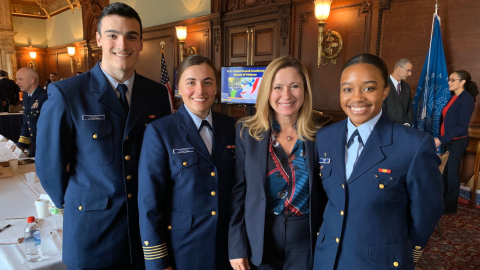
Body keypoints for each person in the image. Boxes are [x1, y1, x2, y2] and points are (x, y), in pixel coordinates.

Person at [36, 3, 171, 270]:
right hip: (92, 231)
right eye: (112, 35)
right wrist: (82, 203)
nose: (123, 44)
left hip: (145, 228)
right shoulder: (68, 93)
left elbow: (162, 158)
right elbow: (49, 166)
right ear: (98, 39)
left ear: (141, 42)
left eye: (132, 36)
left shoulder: (156, 94)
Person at [313, 54, 444, 270]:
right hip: (328, 259)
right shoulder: (325, 137)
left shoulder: (413, 144)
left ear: (385, 91)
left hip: (379, 262)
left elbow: (426, 211)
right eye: (347, 89)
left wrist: (400, 249)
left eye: (368, 88)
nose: (356, 98)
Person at [138, 55, 235, 270]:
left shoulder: (232, 127)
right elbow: (149, 201)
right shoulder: (161, 131)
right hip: (183, 249)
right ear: (178, 88)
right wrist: (157, 261)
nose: (200, 90)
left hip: (227, 248)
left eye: (207, 82)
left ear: (216, 87)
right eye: (191, 82)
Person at [229, 56, 325, 270]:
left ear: (305, 90)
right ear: (266, 92)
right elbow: (238, 192)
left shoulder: (322, 132)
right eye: (277, 87)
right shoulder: (247, 132)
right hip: (260, 239)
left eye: (294, 86)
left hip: (306, 241)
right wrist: (237, 246)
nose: (286, 95)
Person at [434, 70, 478, 214]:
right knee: (444, 173)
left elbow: (460, 126)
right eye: (449, 79)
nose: (449, 82)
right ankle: (442, 203)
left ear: (463, 82)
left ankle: (449, 208)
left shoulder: (467, 99)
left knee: (451, 174)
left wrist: (440, 140)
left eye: (453, 80)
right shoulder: (453, 97)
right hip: (447, 140)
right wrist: (442, 138)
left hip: (457, 141)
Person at [15, 67, 47, 157]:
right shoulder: (26, 96)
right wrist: (21, 145)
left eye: (20, 79)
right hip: (35, 146)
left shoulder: (44, 97)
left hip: (45, 146)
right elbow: (26, 123)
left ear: (32, 80)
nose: (17, 82)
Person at [382, 58, 414, 126]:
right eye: (408, 70)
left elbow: (410, 108)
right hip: (386, 127)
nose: (410, 74)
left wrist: (407, 123)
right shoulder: (383, 84)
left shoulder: (407, 87)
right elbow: (381, 109)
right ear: (399, 68)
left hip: (403, 130)